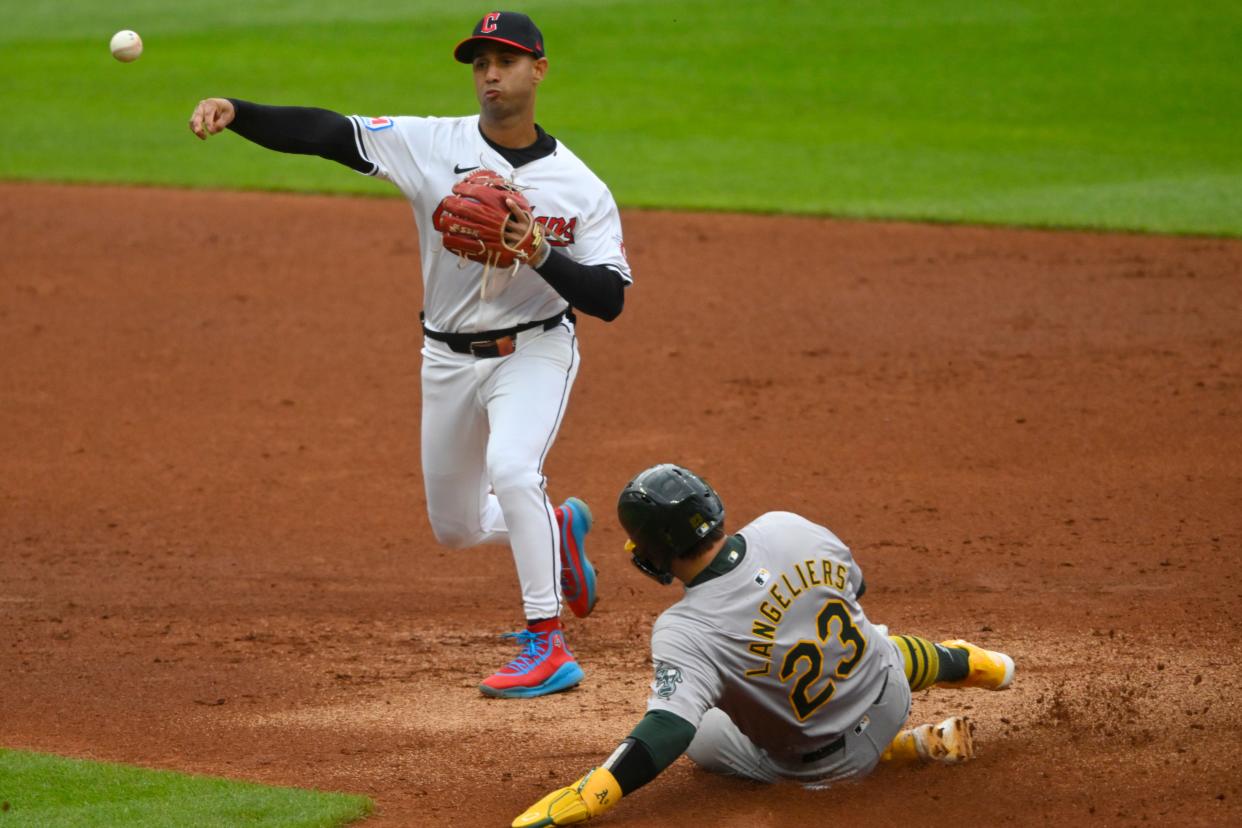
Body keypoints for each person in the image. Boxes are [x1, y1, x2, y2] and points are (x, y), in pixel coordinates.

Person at [187, 11, 632, 699]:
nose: (489, 74)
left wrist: (538, 249)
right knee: (455, 528)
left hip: (535, 351)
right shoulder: (431, 143)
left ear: (538, 71)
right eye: (479, 62)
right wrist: (237, 110)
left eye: (505, 62)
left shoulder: (582, 188)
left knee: (513, 469)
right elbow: (329, 134)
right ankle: (557, 527)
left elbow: (608, 299)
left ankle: (548, 644)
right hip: (446, 358)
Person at [512, 464, 1017, 826]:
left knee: (704, 731)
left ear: (654, 555)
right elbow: (854, 590)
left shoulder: (684, 629)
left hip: (831, 768)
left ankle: (901, 751)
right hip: (890, 695)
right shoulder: (788, 525)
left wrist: (600, 789)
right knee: (864, 641)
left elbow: (667, 727)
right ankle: (968, 663)